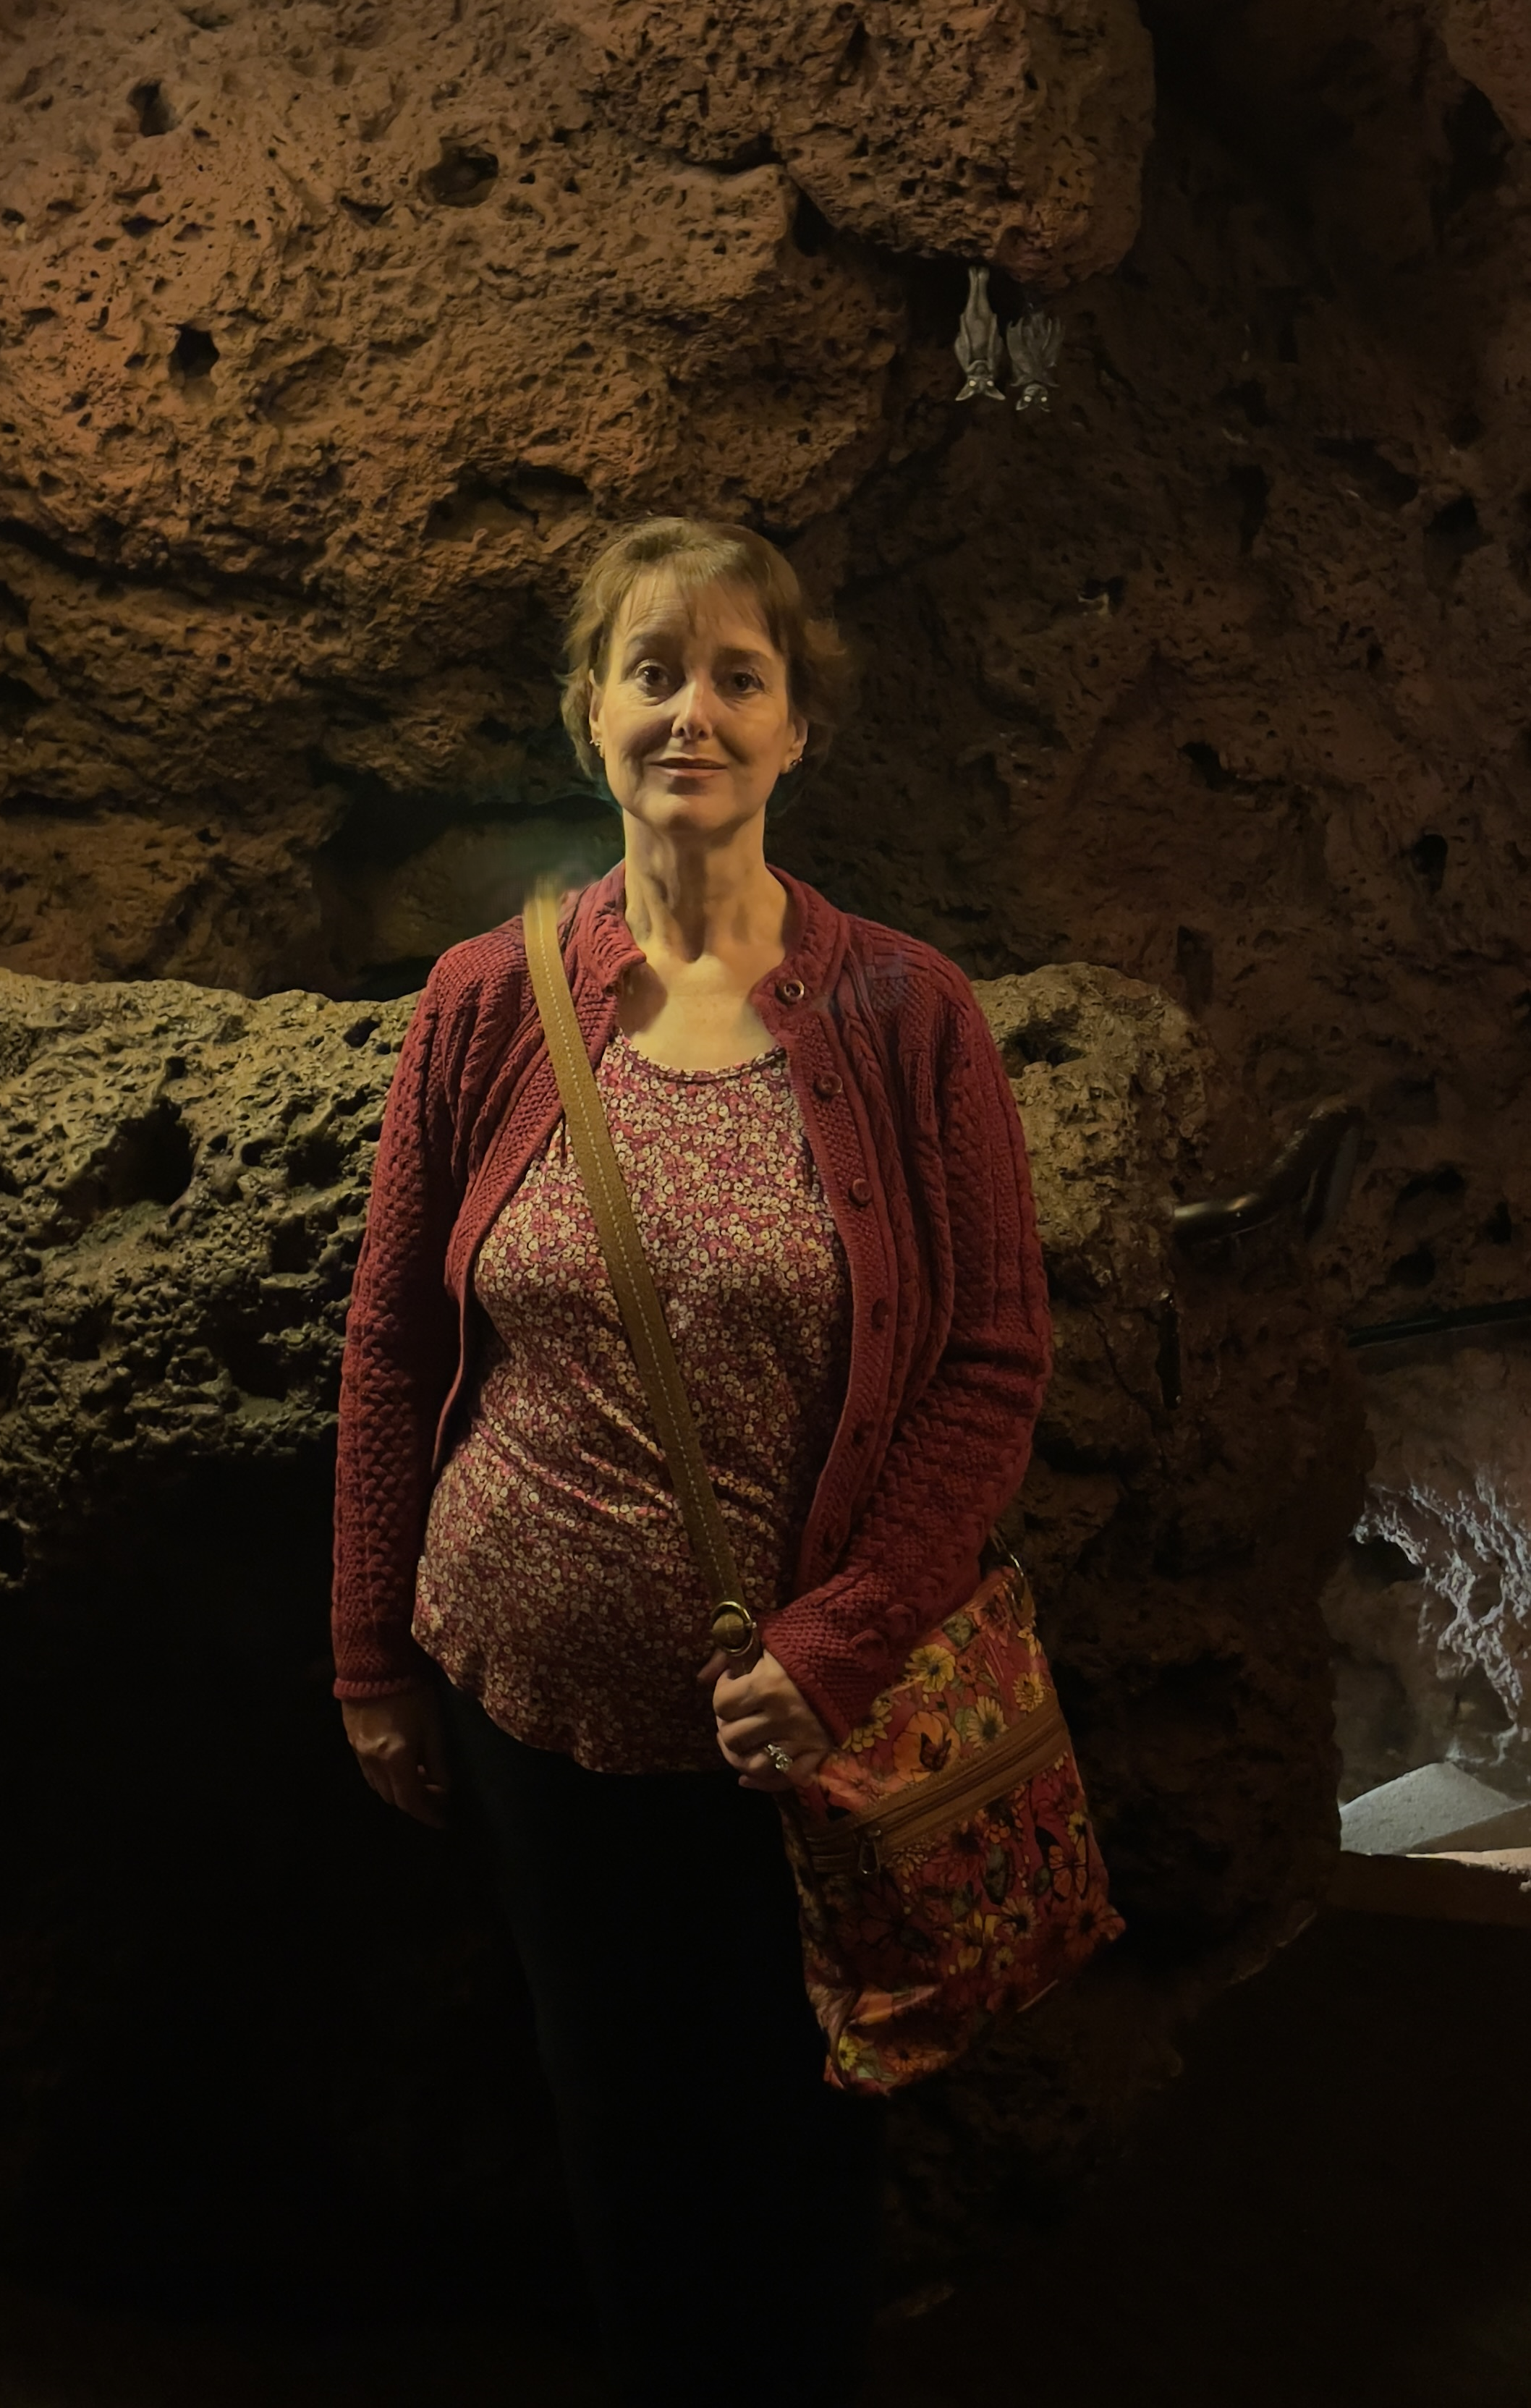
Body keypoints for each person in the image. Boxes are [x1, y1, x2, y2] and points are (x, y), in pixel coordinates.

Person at [331, 515, 1052, 2405]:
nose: (693, 710)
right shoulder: (487, 1002)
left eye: (739, 673)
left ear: (797, 722)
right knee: (615, 2129)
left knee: (810, 2135)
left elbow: (988, 1358)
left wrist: (838, 1642)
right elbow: (398, 1344)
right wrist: (366, 1659)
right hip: (528, 1700)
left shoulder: (904, 1013)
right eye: (652, 669)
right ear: (589, 717)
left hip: (795, 1728)